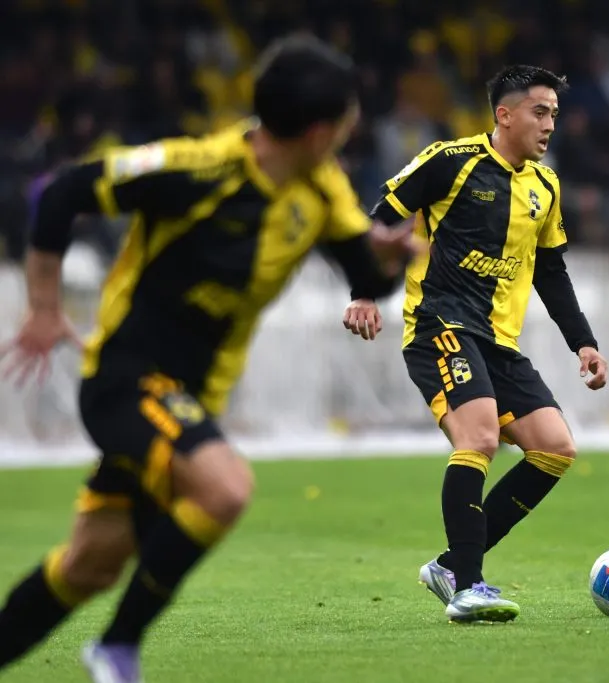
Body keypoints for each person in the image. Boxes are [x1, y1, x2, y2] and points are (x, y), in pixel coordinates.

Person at [0, 34, 416, 682]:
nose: (350, 130)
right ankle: (116, 647)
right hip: (124, 378)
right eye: (346, 120)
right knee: (225, 487)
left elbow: (370, 276)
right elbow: (61, 194)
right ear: (317, 133)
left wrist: (388, 261)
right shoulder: (198, 168)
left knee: (89, 564)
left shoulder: (323, 190)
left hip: (189, 398)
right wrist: (46, 307)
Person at [368, 64, 609, 623]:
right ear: (505, 114)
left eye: (554, 113)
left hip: (498, 342)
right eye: (539, 112)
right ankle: (468, 586)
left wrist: (584, 343)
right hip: (438, 325)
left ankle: (453, 564)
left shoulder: (545, 187)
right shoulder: (450, 161)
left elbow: (550, 270)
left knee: (555, 447)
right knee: (478, 436)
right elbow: (381, 220)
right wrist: (363, 291)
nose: (550, 124)